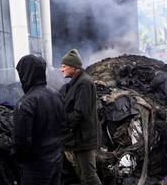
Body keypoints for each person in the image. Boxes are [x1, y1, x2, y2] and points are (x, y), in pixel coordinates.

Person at [14, 54, 64, 185]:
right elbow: (63, 125)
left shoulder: (26, 103)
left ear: (27, 73)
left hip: (36, 167)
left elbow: (22, 142)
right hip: (56, 159)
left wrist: (17, 158)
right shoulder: (56, 94)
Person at [59, 49, 102, 185]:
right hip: (78, 138)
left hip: (84, 139)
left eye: (64, 66)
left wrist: (62, 124)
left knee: (89, 175)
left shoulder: (84, 83)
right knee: (84, 175)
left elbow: (80, 113)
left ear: (73, 67)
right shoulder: (76, 83)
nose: (62, 70)